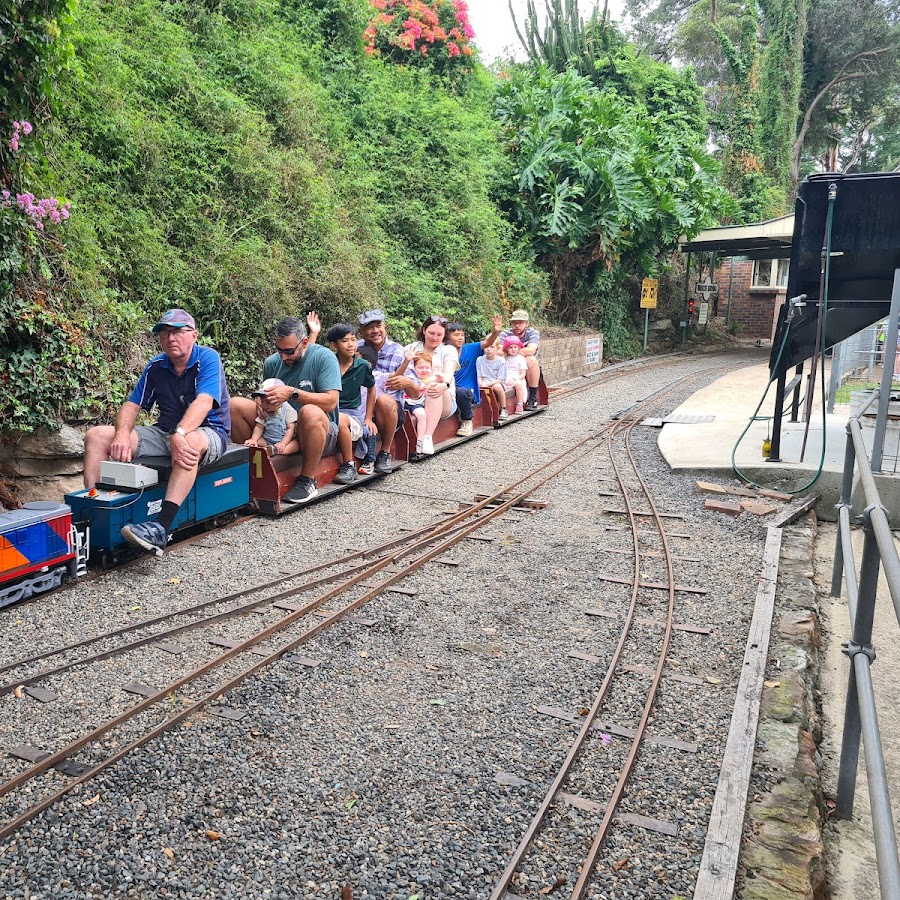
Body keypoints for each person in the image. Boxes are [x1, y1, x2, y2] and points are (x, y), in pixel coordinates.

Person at [82, 309, 231, 556]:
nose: (170, 338)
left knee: (188, 442)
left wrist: (180, 432)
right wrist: (120, 434)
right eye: (164, 333)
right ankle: (92, 511)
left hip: (209, 432)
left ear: (193, 335)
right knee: (97, 436)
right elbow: (132, 405)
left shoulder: (207, 358)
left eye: (177, 332)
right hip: (165, 433)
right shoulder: (156, 366)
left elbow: (205, 400)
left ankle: (161, 527)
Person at [231, 316, 341, 504]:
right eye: (279, 351)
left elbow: (331, 402)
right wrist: (259, 400)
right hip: (278, 427)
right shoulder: (272, 363)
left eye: (289, 351)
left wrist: (292, 393)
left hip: (319, 431)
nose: (284, 357)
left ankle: (307, 480)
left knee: (309, 412)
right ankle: (254, 466)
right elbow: (264, 394)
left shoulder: (323, 357)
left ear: (304, 343)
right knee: (234, 405)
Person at [356, 309, 422, 471]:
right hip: (359, 407)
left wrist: (407, 382)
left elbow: (415, 394)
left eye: (378, 325)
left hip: (389, 410)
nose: (375, 331)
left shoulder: (398, 352)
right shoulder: (355, 349)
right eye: (369, 327)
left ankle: (385, 452)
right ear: (362, 332)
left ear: (385, 326)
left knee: (383, 400)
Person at [326, 323, 377, 485]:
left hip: (351, 413)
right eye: (345, 341)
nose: (350, 345)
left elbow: (372, 388)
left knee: (342, 420)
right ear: (334, 345)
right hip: (328, 409)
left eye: (353, 340)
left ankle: (349, 464)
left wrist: (368, 417)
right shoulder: (328, 363)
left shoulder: (362, 365)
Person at [403, 315, 459, 456]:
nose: (434, 338)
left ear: (444, 335)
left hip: (443, 399)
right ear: (424, 331)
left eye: (439, 334)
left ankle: (427, 437)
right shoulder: (412, 348)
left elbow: (449, 371)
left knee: (434, 386)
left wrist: (444, 384)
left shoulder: (448, 350)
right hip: (414, 398)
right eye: (431, 333)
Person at [445, 315, 502, 437]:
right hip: (448, 389)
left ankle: (467, 421)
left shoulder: (470, 349)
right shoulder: (442, 352)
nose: (460, 338)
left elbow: (488, 342)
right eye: (456, 335)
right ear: (447, 337)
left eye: (462, 335)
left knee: (462, 392)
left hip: (466, 391)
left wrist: (496, 332)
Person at [243, 378, 300, 456]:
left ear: (281, 400)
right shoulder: (264, 410)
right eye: (262, 402)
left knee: (296, 445)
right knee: (257, 442)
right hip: (267, 440)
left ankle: (277, 451)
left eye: (268, 402)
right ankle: (267, 449)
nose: (264, 405)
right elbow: (259, 426)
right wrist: (254, 439)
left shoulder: (288, 411)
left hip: (285, 441)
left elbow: (290, 429)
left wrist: (283, 443)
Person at [499, 309, 541, 410]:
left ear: (527, 323)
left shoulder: (532, 333)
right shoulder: (505, 333)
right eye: (514, 323)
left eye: (520, 323)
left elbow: (531, 350)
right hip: (509, 365)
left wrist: (512, 352)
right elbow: (499, 351)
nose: (517, 326)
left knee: (530, 359)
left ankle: (532, 397)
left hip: (527, 365)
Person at [399, 350, 434, 452]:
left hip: (417, 404)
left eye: (427, 368)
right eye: (420, 368)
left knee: (422, 415)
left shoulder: (430, 380)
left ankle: (420, 441)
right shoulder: (410, 378)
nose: (424, 370)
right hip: (406, 401)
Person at [477, 340, 509, 420]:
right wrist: (480, 383)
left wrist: (487, 385)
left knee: (497, 387)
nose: (488, 349)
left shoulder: (501, 361)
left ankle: (503, 408)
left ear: (497, 348)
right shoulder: (479, 360)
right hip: (484, 381)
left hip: (496, 382)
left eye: (492, 347)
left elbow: (500, 379)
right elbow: (479, 376)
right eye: (487, 347)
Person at [503, 335, 528, 413]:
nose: (513, 349)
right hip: (506, 377)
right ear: (507, 349)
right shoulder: (505, 359)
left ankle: (520, 404)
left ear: (518, 348)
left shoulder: (521, 359)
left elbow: (523, 374)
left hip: (517, 378)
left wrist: (515, 379)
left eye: (515, 347)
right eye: (510, 347)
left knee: (518, 385)